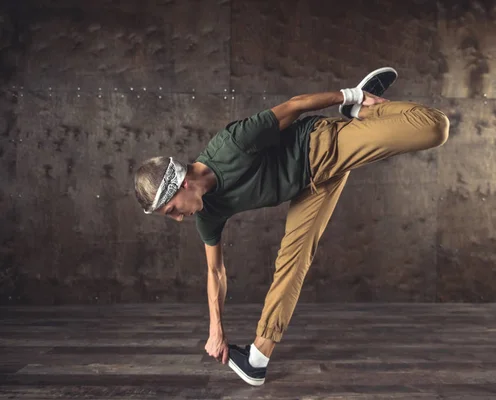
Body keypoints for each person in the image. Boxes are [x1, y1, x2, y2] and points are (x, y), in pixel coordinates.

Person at [134, 67, 450, 386]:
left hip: (319, 145)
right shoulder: (207, 212)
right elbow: (215, 272)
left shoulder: (231, 145)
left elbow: (296, 105)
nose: (177, 219)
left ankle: (362, 109)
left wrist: (352, 95)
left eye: (172, 210)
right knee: (293, 260)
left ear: (184, 184)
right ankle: (258, 358)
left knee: (434, 128)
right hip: (308, 186)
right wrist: (216, 329)